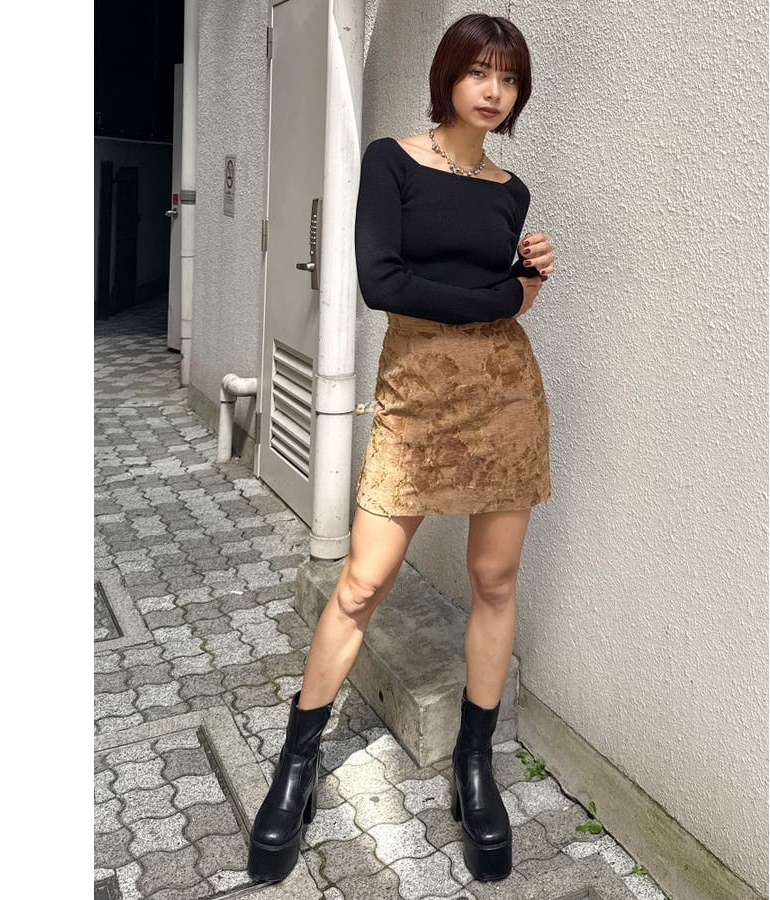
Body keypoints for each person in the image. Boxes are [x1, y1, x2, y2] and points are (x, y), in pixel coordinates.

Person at [248, 11, 557, 887]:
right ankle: (298, 763)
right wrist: (501, 296)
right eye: (479, 71)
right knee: (360, 581)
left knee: (495, 580)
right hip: (417, 393)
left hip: (503, 392)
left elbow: (508, 296)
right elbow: (384, 284)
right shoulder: (391, 160)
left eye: (510, 77)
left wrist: (527, 279)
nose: (494, 91)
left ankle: (473, 765)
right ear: (447, 76)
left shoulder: (511, 190)